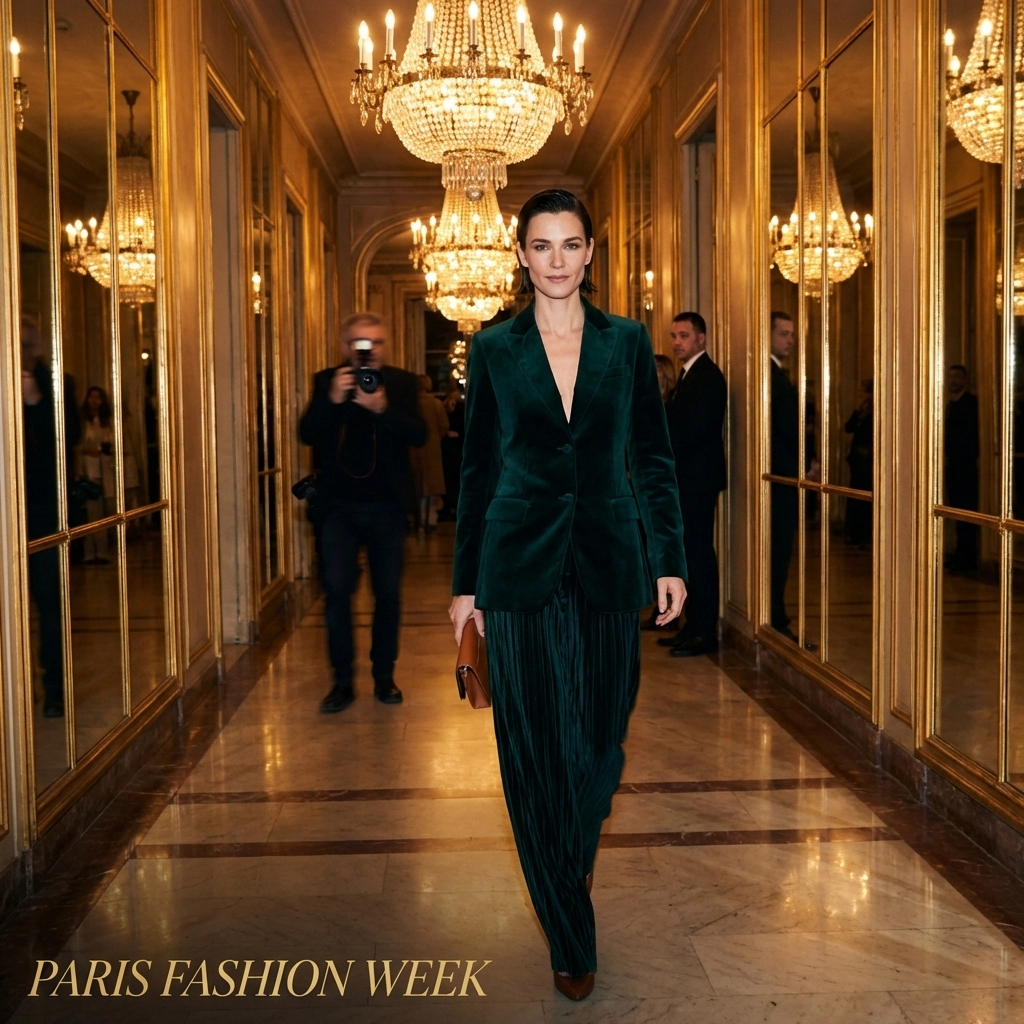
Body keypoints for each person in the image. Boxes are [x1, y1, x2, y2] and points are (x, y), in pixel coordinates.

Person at [449, 189, 686, 1001]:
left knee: (599, 745)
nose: (556, 259)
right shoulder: (492, 350)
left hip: (610, 563)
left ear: (591, 254)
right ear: (521, 255)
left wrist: (671, 559)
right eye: (541, 245)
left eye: (570, 244)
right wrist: (465, 586)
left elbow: (652, 458)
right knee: (531, 747)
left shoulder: (626, 344)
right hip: (516, 571)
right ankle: (569, 932)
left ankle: (562, 871)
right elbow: (476, 470)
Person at [300, 312, 427, 712]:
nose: (368, 351)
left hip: (387, 507)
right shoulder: (327, 381)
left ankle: (384, 676)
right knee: (337, 594)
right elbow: (307, 433)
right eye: (360, 343)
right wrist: (333, 401)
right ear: (345, 348)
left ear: (385, 347)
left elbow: (420, 435)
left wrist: (382, 408)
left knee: (387, 594)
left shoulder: (402, 383)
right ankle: (342, 681)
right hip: (337, 508)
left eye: (376, 343)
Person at [657, 311, 727, 657]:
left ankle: (704, 633)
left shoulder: (708, 377)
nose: (677, 343)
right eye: (674, 336)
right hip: (686, 480)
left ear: (701, 338)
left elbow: (693, 431)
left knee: (699, 556)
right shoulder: (689, 375)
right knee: (689, 555)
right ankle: (691, 627)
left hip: (697, 482)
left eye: (684, 336)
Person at [21, 312, 79, 718]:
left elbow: (69, 436)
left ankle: (55, 687)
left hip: (43, 506)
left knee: (49, 599)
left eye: (28, 345)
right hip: (11, 505)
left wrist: (36, 400)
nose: (22, 353)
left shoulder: (59, 384)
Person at [769, 311, 800, 641]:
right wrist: (805, 463)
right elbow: (787, 430)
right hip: (781, 478)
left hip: (783, 475)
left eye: (792, 334)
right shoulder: (772, 376)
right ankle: (776, 617)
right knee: (778, 552)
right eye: (784, 334)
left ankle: (777, 613)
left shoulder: (778, 374)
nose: (790, 340)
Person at [945, 364, 980, 571]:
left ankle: (967, 559)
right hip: (953, 465)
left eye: (957, 377)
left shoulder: (972, 403)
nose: (953, 381)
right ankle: (959, 554)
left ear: (965, 379)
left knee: (967, 512)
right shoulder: (949, 404)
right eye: (950, 377)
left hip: (967, 466)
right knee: (956, 511)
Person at [79, 386, 116, 564]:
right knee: (90, 513)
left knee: (102, 513)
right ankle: (89, 552)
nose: (94, 401)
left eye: (98, 398)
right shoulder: (82, 422)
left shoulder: (106, 422)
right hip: (88, 470)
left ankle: (102, 551)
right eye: (91, 397)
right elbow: (78, 445)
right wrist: (88, 451)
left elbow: (111, 443)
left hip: (104, 469)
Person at [409, 374, 449, 531]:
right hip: (432, 449)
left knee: (415, 486)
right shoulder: (436, 404)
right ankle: (431, 521)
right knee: (432, 489)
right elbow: (444, 426)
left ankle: (415, 520)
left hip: (413, 449)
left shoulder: (411, 404)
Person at [844, 379, 873, 546]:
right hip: (857, 459)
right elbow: (849, 426)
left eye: (862, 391)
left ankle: (863, 533)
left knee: (863, 496)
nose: (859, 395)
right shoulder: (862, 410)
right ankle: (854, 532)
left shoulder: (875, 410)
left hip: (866, 459)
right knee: (855, 494)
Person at [440, 383, 465, 521]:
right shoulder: (446, 406)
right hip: (453, 449)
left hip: (454, 449)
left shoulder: (459, 407)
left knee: (453, 480)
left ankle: (453, 506)